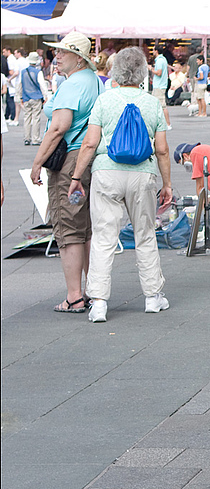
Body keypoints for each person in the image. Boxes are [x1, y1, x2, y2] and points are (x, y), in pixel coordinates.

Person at [68, 46, 172, 323]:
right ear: (142, 73)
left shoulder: (104, 100)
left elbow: (90, 143)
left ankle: (99, 302)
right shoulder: (152, 103)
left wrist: (77, 177)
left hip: (106, 172)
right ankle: (152, 297)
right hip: (143, 174)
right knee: (145, 234)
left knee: (103, 237)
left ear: (115, 71)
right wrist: (167, 183)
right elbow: (161, 149)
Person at [29, 32, 104, 314]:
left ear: (79, 58)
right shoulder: (95, 82)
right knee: (85, 227)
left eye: (62, 53)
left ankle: (74, 295)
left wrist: (37, 162)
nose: (56, 57)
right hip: (88, 156)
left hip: (70, 157)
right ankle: (88, 289)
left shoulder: (73, 85)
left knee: (68, 225)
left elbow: (59, 127)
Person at [173, 142, 210, 228]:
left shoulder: (195, 153)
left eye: (184, 163)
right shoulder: (203, 151)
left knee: (202, 220)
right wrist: (208, 201)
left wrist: (200, 211)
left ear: (185, 156)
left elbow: (200, 188)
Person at [20, 52, 49, 146]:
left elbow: (20, 85)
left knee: (27, 117)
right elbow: (42, 85)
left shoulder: (23, 72)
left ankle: (26, 138)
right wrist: (45, 96)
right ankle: (35, 138)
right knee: (36, 118)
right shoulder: (38, 72)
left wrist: (20, 96)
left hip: (26, 97)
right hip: (36, 97)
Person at [148, 45, 172, 130]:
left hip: (159, 85)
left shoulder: (159, 61)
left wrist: (151, 69)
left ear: (156, 51)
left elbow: (159, 73)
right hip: (160, 84)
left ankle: (168, 123)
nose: (153, 52)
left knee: (162, 105)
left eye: (153, 50)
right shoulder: (162, 60)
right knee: (159, 105)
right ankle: (163, 123)